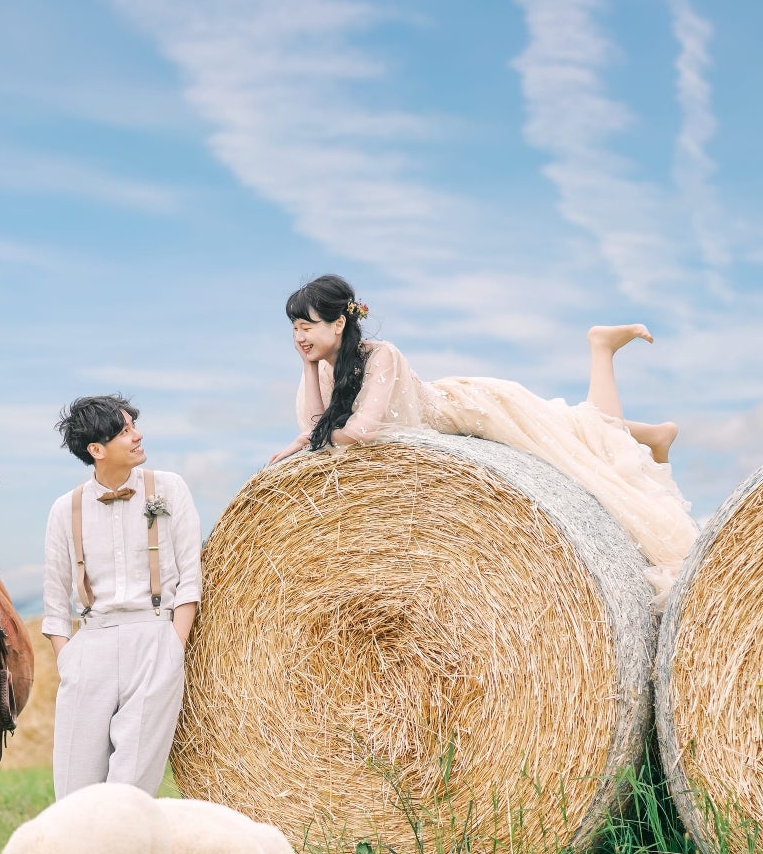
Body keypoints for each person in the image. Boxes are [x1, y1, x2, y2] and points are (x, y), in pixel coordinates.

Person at [268, 274, 698, 605]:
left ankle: (600, 346)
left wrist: (310, 438)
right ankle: (654, 435)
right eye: (294, 328)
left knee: (584, 438)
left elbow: (359, 432)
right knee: (571, 430)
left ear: (340, 322)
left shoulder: (382, 355)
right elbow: (318, 422)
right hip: (440, 422)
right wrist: (309, 373)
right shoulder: (325, 367)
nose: (300, 336)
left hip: (464, 409)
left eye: (307, 325)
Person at [42, 395, 202, 798]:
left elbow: (189, 578)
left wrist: (173, 646)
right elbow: (55, 602)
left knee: (130, 789)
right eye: (125, 430)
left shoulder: (169, 488)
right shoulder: (65, 509)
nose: (137, 435)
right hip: (90, 646)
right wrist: (69, 660)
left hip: (155, 640)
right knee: (73, 793)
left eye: (133, 426)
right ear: (96, 450)